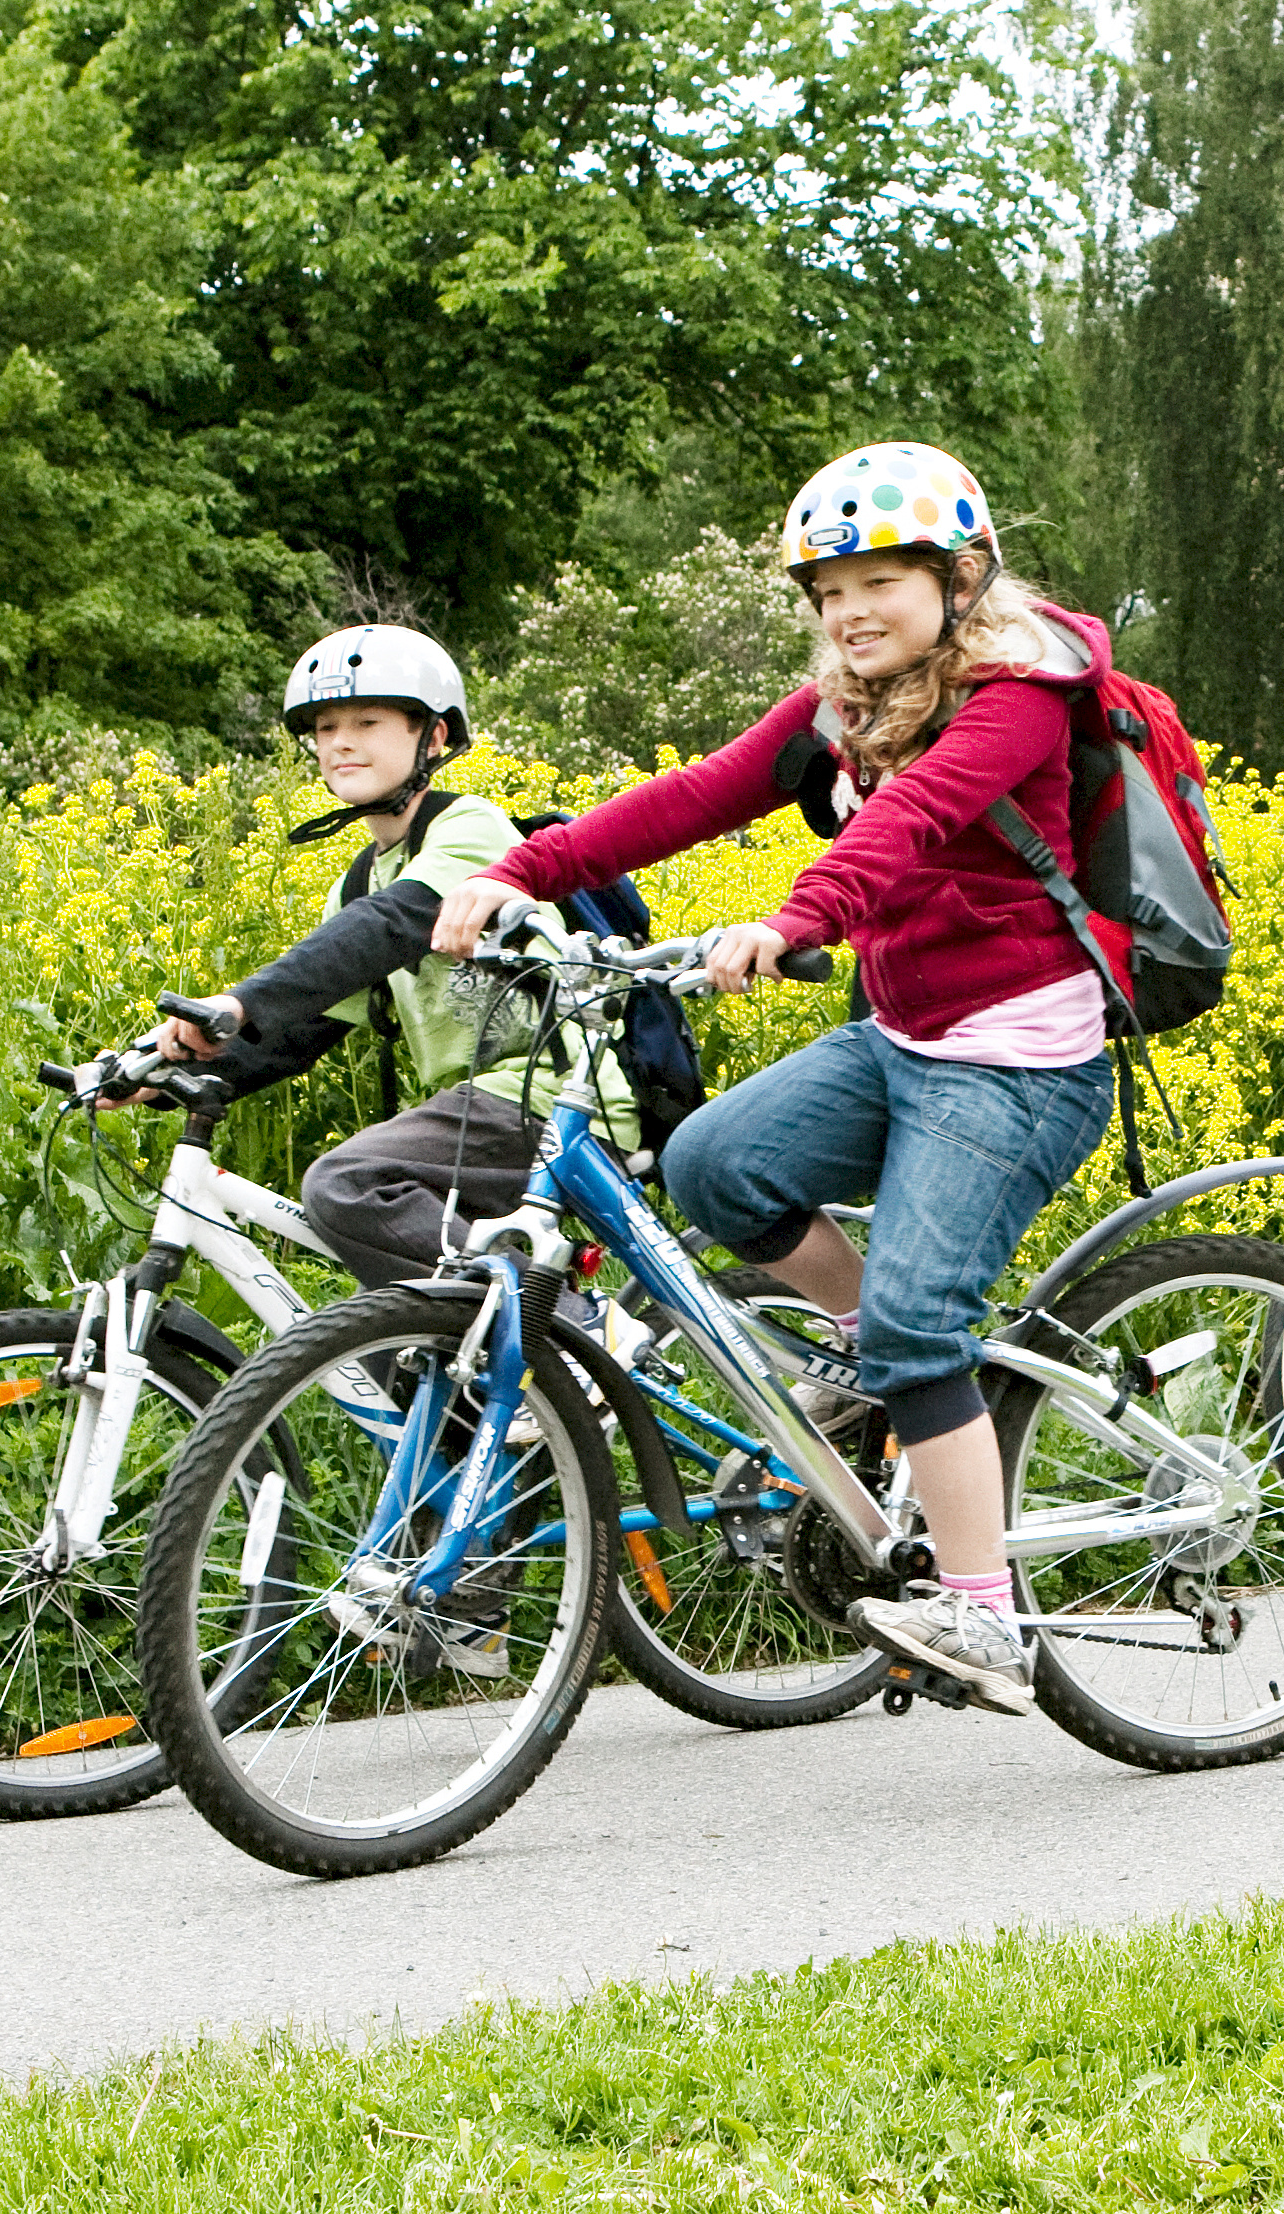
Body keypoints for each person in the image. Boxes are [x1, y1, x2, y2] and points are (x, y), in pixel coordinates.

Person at [431, 440, 1118, 1715]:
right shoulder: (842, 708)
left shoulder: (1020, 695)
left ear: (960, 577)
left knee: (925, 1329)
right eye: (827, 590)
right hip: (906, 1038)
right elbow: (696, 797)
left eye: (881, 581)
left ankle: (985, 1615)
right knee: (710, 1164)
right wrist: (526, 869)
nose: (851, 611)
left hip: (1020, 1060)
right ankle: (884, 1357)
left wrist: (795, 922)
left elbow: (905, 833)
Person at [140, 622, 643, 1290]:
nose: (341, 741)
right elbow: (298, 1033)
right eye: (324, 728)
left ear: (432, 737)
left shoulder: (471, 829)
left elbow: (392, 924)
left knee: (347, 1185)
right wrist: (152, 1073)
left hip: (555, 1096)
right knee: (404, 1340)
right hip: (484, 1112)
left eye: (368, 721)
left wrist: (240, 1000)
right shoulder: (357, 882)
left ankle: (568, 1333)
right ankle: (539, 1367)